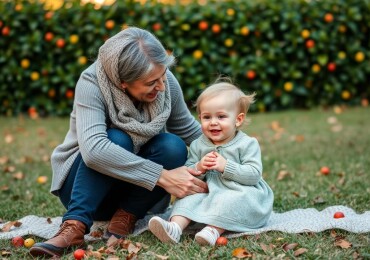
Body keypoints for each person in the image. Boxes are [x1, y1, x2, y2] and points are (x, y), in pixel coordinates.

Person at [29, 26, 208, 257]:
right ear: (123, 82)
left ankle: (126, 216)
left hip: (135, 194)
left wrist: (231, 155)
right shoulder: (91, 82)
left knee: (172, 146)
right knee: (116, 139)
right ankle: (74, 226)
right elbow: (93, 151)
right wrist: (162, 176)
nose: (162, 86)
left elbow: (188, 129)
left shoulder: (165, 81)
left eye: (163, 76)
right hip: (83, 190)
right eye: (152, 82)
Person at [148, 79, 274, 246]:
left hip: (240, 191)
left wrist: (225, 166)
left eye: (221, 116)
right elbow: (188, 171)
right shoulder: (198, 144)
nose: (213, 122)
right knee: (187, 199)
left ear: (238, 119)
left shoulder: (247, 144)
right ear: (200, 118)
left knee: (230, 200)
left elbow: (253, 175)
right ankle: (174, 228)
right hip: (209, 192)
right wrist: (199, 167)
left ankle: (212, 230)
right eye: (207, 117)